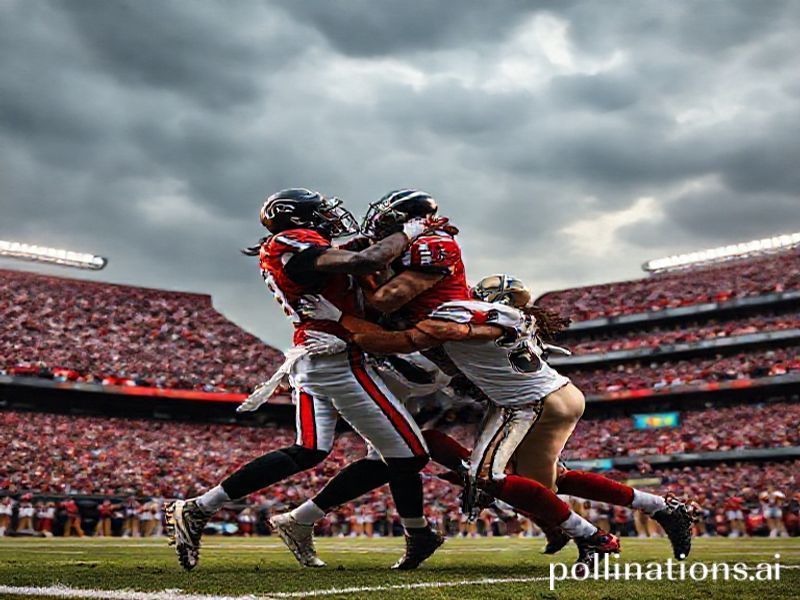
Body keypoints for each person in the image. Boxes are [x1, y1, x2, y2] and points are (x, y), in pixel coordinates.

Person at [272, 191, 620, 572]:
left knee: (484, 476)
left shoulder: (447, 289)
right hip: (490, 383)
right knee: (427, 451)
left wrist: (340, 321)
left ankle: (592, 536)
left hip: (490, 386)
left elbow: (389, 311)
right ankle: (637, 513)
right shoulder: (466, 300)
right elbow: (380, 290)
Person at [165, 188, 444, 571]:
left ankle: (202, 507)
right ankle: (417, 532)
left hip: (315, 357)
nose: (330, 218)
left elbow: (359, 253)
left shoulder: (291, 249)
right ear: (298, 220)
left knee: (310, 450)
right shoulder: (291, 245)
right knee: (410, 454)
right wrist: (412, 230)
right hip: (336, 359)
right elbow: (367, 260)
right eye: (321, 213)